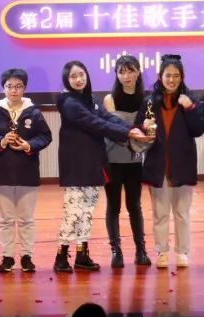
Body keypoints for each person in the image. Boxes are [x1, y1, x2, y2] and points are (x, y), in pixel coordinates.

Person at [54, 60, 150, 273]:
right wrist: (128, 133)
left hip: (93, 163)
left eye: (81, 74)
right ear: (67, 80)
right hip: (76, 166)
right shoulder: (68, 103)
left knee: (87, 212)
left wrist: (133, 128)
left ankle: (81, 254)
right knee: (73, 212)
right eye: (73, 76)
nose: (79, 79)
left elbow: (107, 117)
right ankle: (61, 256)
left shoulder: (90, 99)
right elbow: (96, 124)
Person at [135, 55, 204, 268]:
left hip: (182, 165)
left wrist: (190, 108)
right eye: (168, 75)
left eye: (176, 76)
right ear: (160, 76)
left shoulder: (190, 100)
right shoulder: (149, 101)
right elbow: (138, 129)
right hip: (157, 166)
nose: (172, 80)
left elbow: (198, 129)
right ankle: (162, 252)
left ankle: (182, 252)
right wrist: (144, 127)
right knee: (160, 213)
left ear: (182, 77)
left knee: (182, 213)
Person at [0, 68, 52, 273]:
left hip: (27, 172)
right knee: (6, 219)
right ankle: (8, 257)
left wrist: (29, 145)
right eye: (9, 86)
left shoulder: (33, 112)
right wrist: (1, 141)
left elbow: (45, 136)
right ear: (3, 88)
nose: (13, 90)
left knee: (26, 219)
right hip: (2, 173)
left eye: (18, 86)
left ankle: (27, 256)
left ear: (24, 88)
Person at [102, 55, 151, 267]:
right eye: (121, 72)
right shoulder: (109, 99)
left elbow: (149, 131)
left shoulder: (146, 100)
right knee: (113, 207)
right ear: (116, 75)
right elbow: (112, 129)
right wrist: (134, 131)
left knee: (135, 206)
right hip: (112, 160)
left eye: (130, 71)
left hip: (135, 161)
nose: (126, 76)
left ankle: (141, 250)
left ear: (138, 72)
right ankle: (116, 251)